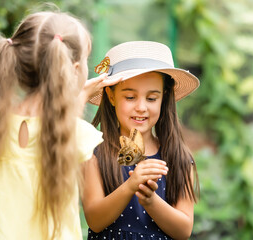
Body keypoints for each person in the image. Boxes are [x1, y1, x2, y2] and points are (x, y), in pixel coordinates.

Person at [0, 11, 120, 240]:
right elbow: (57, 131)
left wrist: (80, 95)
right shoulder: (79, 136)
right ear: (75, 69)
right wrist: (79, 96)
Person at [82, 41, 200, 240]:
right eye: (130, 97)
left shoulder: (178, 158)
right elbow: (94, 219)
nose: (141, 107)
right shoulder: (94, 153)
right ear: (111, 96)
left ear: (165, 97)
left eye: (152, 98)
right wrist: (130, 186)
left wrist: (150, 201)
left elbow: (184, 230)